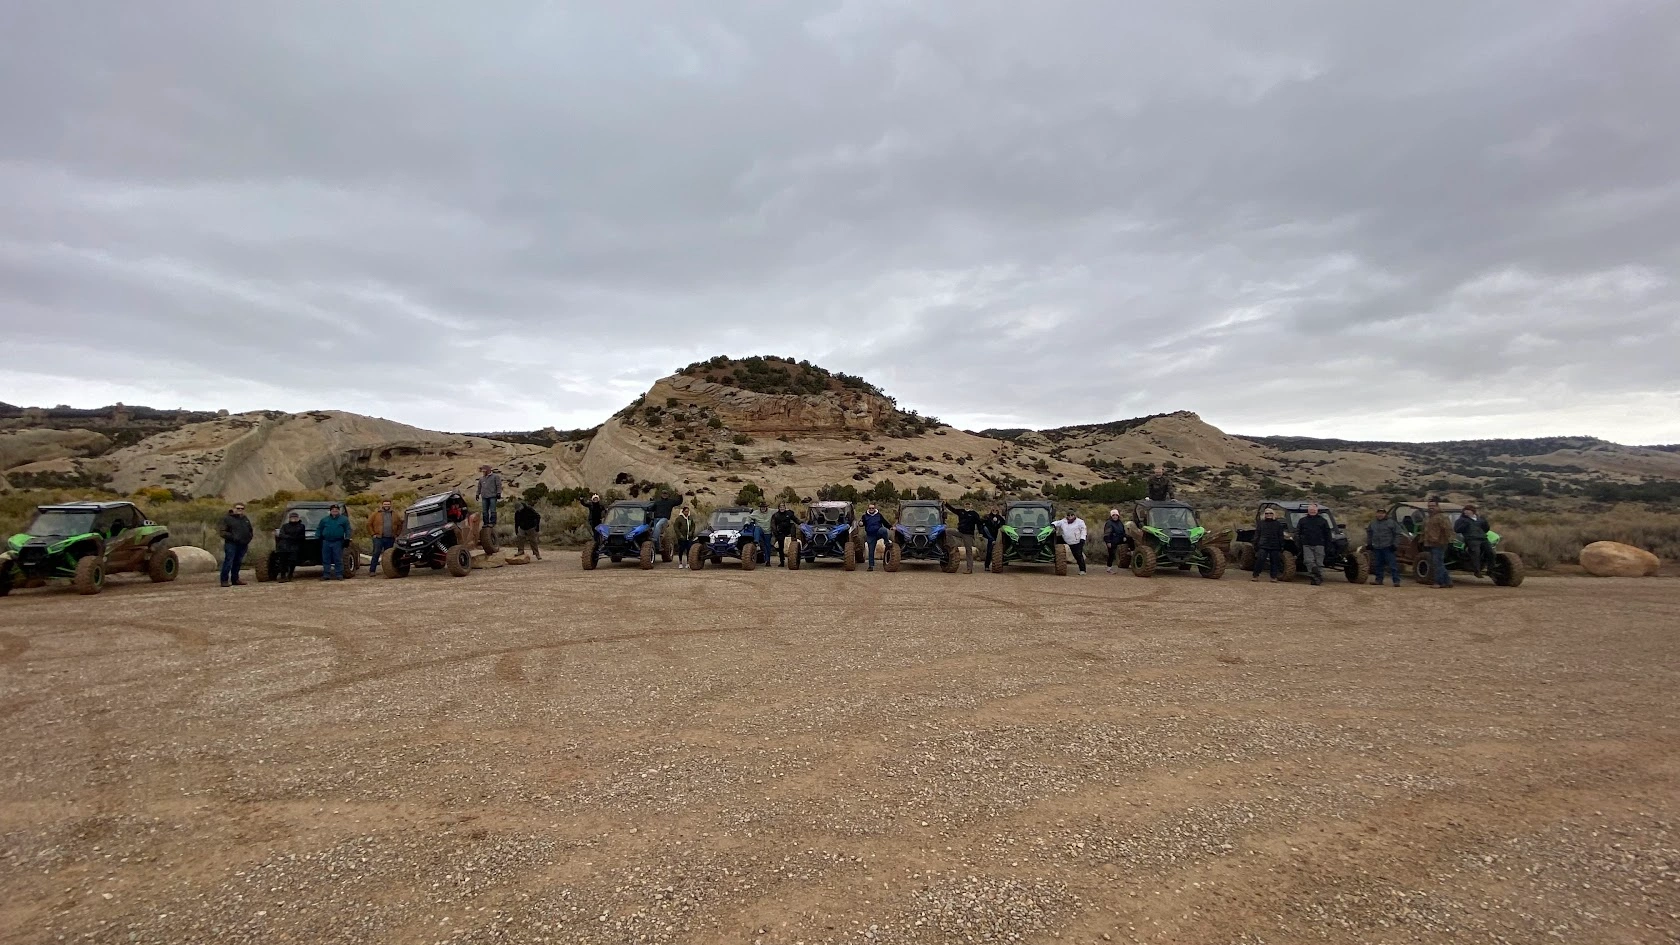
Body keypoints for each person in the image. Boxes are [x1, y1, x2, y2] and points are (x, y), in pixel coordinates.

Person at [1295, 502, 1333, 586]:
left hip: (1320, 544)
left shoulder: (1323, 521)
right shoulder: (1303, 521)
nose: (1312, 511)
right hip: (1306, 544)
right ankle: (1315, 575)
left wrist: (1328, 545)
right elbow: (1298, 533)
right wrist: (1298, 542)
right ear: (1308, 511)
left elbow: (1327, 534)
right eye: (1311, 510)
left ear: (1317, 510)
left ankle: (1317, 579)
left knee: (1319, 562)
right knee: (1308, 561)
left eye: (1314, 510)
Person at [1420, 498, 1455, 589]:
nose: (1431, 508)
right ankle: (1447, 581)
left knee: (1437, 563)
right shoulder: (1428, 518)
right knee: (1437, 563)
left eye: (1433, 506)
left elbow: (1448, 530)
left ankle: (1439, 582)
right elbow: (1425, 530)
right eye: (1429, 506)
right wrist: (1422, 540)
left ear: (1437, 506)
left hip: (1439, 543)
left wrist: (1450, 540)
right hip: (1429, 543)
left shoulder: (1442, 517)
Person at [218, 502, 253, 588]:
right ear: (233, 509)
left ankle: (235, 579)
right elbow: (222, 532)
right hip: (231, 544)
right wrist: (233, 537)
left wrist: (248, 538)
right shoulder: (227, 519)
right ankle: (224, 580)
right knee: (229, 561)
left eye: (242, 509)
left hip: (243, 544)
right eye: (238, 508)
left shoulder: (245, 519)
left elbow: (250, 530)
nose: (240, 510)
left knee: (238, 562)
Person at [1365, 506, 1402, 587]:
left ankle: (1396, 581)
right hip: (1377, 547)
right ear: (1376, 514)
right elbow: (1369, 533)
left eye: (1382, 513)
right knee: (1378, 565)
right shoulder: (1373, 523)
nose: (1380, 515)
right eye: (1379, 513)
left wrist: (1395, 545)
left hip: (1388, 547)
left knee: (1392, 565)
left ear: (1385, 514)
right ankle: (1378, 580)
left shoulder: (1391, 523)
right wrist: (1369, 544)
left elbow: (1398, 533)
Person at [942, 501, 982, 574]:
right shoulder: (961, 511)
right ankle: (953, 546)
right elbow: (952, 509)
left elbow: (979, 524)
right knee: (947, 531)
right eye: (966, 504)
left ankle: (969, 569)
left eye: (968, 504)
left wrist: (981, 533)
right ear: (964, 505)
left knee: (968, 551)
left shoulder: (974, 514)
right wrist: (946, 504)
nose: (967, 505)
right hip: (959, 532)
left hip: (968, 535)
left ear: (971, 505)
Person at [367, 498, 404, 575]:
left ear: (390, 505)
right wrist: (373, 534)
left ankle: (388, 571)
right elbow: (369, 524)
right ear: (382, 505)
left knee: (388, 556)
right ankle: (372, 571)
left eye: (388, 504)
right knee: (376, 553)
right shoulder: (376, 514)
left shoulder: (394, 514)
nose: (386, 505)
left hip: (390, 538)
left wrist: (397, 534)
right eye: (385, 504)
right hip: (378, 538)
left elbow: (400, 525)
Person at [1455, 503, 1493, 578]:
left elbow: (1486, 528)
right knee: (1476, 553)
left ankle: (1490, 570)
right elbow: (1457, 530)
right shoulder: (1461, 520)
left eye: (1468, 510)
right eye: (1465, 510)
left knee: (1491, 553)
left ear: (1473, 511)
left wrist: (1484, 524)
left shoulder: (1480, 519)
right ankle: (1477, 571)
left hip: (1483, 538)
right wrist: (1465, 525)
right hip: (1471, 539)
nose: (1466, 512)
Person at [316, 503, 352, 580]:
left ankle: (339, 574)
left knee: (338, 558)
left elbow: (348, 529)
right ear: (330, 511)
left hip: (337, 541)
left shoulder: (344, 519)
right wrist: (317, 537)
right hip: (326, 541)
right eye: (333, 510)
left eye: (336, 510)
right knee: (326, 559)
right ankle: (326, 574)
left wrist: (347, 538)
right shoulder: (324, 520)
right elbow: (319, 529)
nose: (334, 511)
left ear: (339, 511)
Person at [1251, 507, 1286, 582]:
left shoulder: (1278, 524)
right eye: (1267, 513)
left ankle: (1273, 577)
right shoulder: (1261, 524)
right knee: (1260, 560)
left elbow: (1280, 535)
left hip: (1275, 545)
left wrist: (1282, 545)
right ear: (1264, 515)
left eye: (1270, 513)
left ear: (1273, 514)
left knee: (1275, 561)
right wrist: (1255, 543)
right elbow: (1257, 534)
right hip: (1263, 544)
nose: (1268, 515)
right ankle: (1255, 575)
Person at [274, 510, 306, 583]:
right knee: (282, 562)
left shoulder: (301, 526)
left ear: (298, 518)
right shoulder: (285, 526)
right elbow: (281, 534)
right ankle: (282, 576)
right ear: (289, 518)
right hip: (284, 546)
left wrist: (290, 537)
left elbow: (301, 536)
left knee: (293, 561)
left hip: (294, 546)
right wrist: (290, 537)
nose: (294, 519)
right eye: (292, 517)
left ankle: (290, 575)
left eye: (295, 517)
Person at [648, 490, 680, 558]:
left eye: (666, 493)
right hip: (656, 519)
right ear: (661, 494)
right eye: (663, 493)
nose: (664, 495)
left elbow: (678, 502)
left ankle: (655, 544)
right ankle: (656, 544)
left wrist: (680, 496)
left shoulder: (670, 502)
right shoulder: (657, 502)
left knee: (657, 526)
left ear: (668, 495)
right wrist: (650, 503)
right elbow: (651, 509)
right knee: (652, 530)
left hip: (664, 519)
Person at [1055, 510, 1088, 575]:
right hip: (1065, 539)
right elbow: (1056, 523)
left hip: (1076, 541)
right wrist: (1052, 525)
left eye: (1071, 515)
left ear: (1074, 515)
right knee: (1055, 539)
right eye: (1068, 515)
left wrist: (1082, 539)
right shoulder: (1063, 521)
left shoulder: (1080, 522)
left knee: (1078, 555)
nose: (1070, 517)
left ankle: (1082, 570)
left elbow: (1083, 530)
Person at [860, 503, 889, 571]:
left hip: (878, 532)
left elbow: (885, 522)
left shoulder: (879, 515)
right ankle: (871, 566)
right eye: (870, 508)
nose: (871, 509)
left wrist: (891, 527)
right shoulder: (865, 516)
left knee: (884, 530)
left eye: (872, 508)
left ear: (875, 508)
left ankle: (886, 542)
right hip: (870, 535)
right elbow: (862, 523)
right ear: (868, 509)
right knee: (871, 551)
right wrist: (860, 524)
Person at [770, 503, 799, 567]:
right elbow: (773, 525)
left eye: (783, 507)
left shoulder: (789, 513)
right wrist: (775, 533)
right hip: (780, 531)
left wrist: (801, 523)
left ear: (785, 507)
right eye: (780, 507)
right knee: (781, 547)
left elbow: (795, 519)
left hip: (788, 529)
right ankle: (782, 561)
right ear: (779, 508)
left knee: (793, 525)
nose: (782, 508)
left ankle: (793, 538)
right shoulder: (775, 515)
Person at [980, 506, 1005, 570]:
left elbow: (1003, 524)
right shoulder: (987, 517)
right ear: (991, 510)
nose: (994, 511)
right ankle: (987, 566)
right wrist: (981, 532)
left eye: (996, 510)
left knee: (996, 552)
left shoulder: (1000, 518)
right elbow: (981, 523)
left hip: (997, 536)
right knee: (989, 551)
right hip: (989, 535)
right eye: (993, 510)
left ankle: (997, 564)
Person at [1102, 509, 1126, 574]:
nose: (1115, 517)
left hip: (1119, 538)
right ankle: (1109, 568)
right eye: (1113, 515)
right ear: (1111, 516)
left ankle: (1132, 552)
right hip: (1112, 540)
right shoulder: (1109, 523)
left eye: (1116, 515)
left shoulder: (1120, 522)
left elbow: (1123, 530)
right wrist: (1108, 541)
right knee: (1111, 554)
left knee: (1130, 539)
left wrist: (1124, 536)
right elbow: (1107, 533)